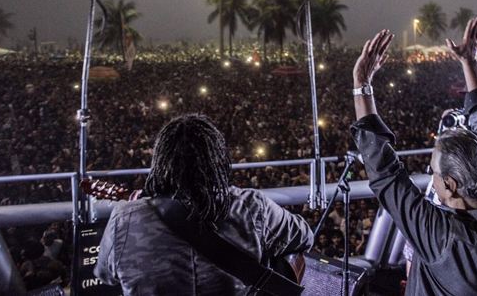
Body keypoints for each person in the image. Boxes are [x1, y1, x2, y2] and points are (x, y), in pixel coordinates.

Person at [350, 15, 477, 295]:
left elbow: (385, 175)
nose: (431, 177)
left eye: (434, 171)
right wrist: (469, 62)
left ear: (450, 185)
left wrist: (361, 84)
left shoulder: (442, 237)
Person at [95, 114, 313, 296]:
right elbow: (304, 237)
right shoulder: (251, 206)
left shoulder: (123, 217)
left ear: (160, 163)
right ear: (217, 160)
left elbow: (105, 274)